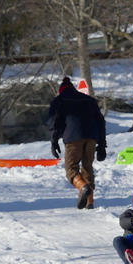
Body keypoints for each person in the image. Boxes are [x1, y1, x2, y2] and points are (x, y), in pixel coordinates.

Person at [49, 77, 106, 209]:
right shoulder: (89, 100)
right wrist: (102, 144)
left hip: (73, 138)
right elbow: (100, 122)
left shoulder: (60, 100)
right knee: (87, 167)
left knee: (71, 168)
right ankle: (89, 202)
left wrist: (54, 141)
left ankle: (83, 187)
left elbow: (55, 122)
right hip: (92, 137)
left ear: (61, 90)